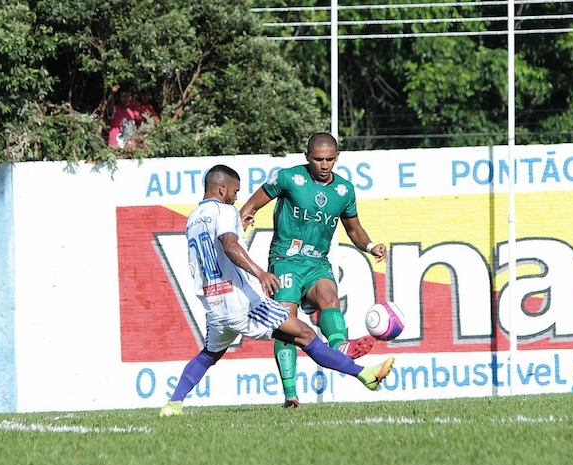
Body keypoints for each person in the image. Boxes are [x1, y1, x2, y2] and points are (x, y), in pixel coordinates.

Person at [159, 164, 394, 417]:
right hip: (241, 302)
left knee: (209, 354)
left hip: (215, 304)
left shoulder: (193, 218)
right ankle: (365, 375)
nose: (237, 198)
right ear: (222, 188)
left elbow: (218, 250)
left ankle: (173, 404)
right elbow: (229, 246)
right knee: (305, 334)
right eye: (235, 192)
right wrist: (260, 273)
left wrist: (241, 228)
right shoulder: (224, 210)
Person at [239, 132, 388, 409]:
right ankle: (291, 394)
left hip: (317, 262)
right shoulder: (288, 178)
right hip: (284, 261)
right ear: (307, 157)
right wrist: (242, 220)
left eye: (330, 159)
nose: (324, 165)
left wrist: (370, 246)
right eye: (318, 159)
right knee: (285, 323)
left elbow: (353, 229)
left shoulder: (344, 190)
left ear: (337, 158)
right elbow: (252, 204)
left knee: (329, 296)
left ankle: (341, 346)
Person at [102, 84, 138, 148]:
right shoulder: (114, 110)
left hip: (129, 149)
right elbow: (109, 105)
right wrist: (112, 93)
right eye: (123, 96)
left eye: (128, 96)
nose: (126, 99)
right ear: (119, 97)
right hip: (116, 147)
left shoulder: (131, 113)